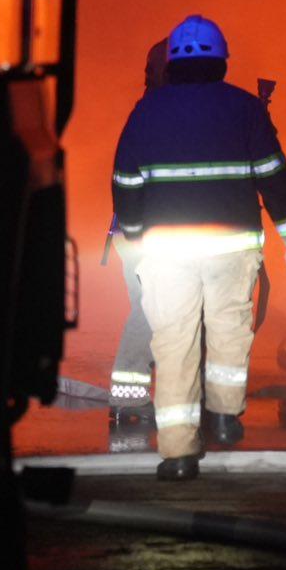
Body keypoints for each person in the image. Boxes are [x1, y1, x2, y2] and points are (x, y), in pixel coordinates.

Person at [110, 15, 286, 480]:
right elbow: (275, 179)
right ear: (222, 60)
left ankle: (178, 455)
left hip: (166, 250)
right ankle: (223, 413)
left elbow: (125, 182)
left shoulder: (147, 111)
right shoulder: (245, 109)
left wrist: (137, 237)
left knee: (174, 341)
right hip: (230, 247)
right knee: (228, 332)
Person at [105, 38, 171, 425]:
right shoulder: (156, 115)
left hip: (136, 234)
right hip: (145, 235)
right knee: (151, 309)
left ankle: (139, 392)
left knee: (154, 309)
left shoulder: (147, 112)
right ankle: (128, 395)